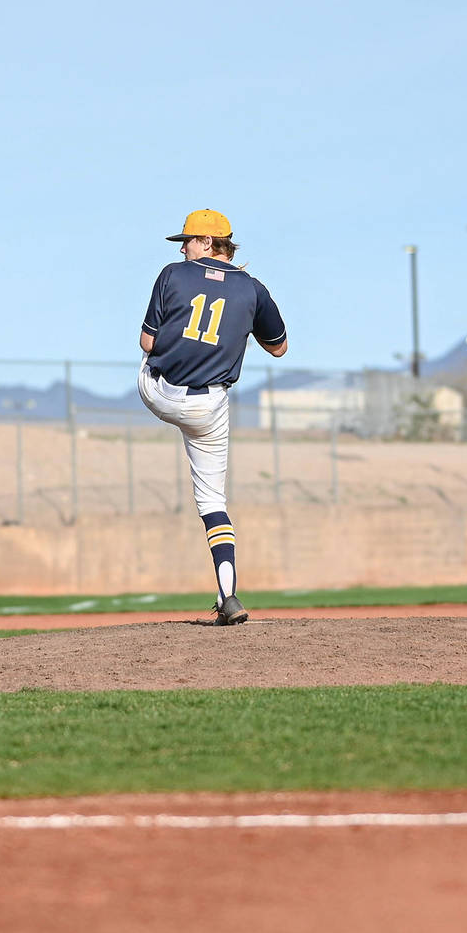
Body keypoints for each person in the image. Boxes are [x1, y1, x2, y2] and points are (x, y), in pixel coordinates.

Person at [137, 209, 288, 625]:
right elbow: (279, 348)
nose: (183, 247)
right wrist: (242, 315)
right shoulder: (253, 289)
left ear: (207, 242)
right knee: (213, 501)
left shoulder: (172, 275)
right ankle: (228, 594)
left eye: (188, 240)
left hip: (158, 391)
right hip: (208, 407)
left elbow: (147, 339)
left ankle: (227, 601)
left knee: (150, 354)